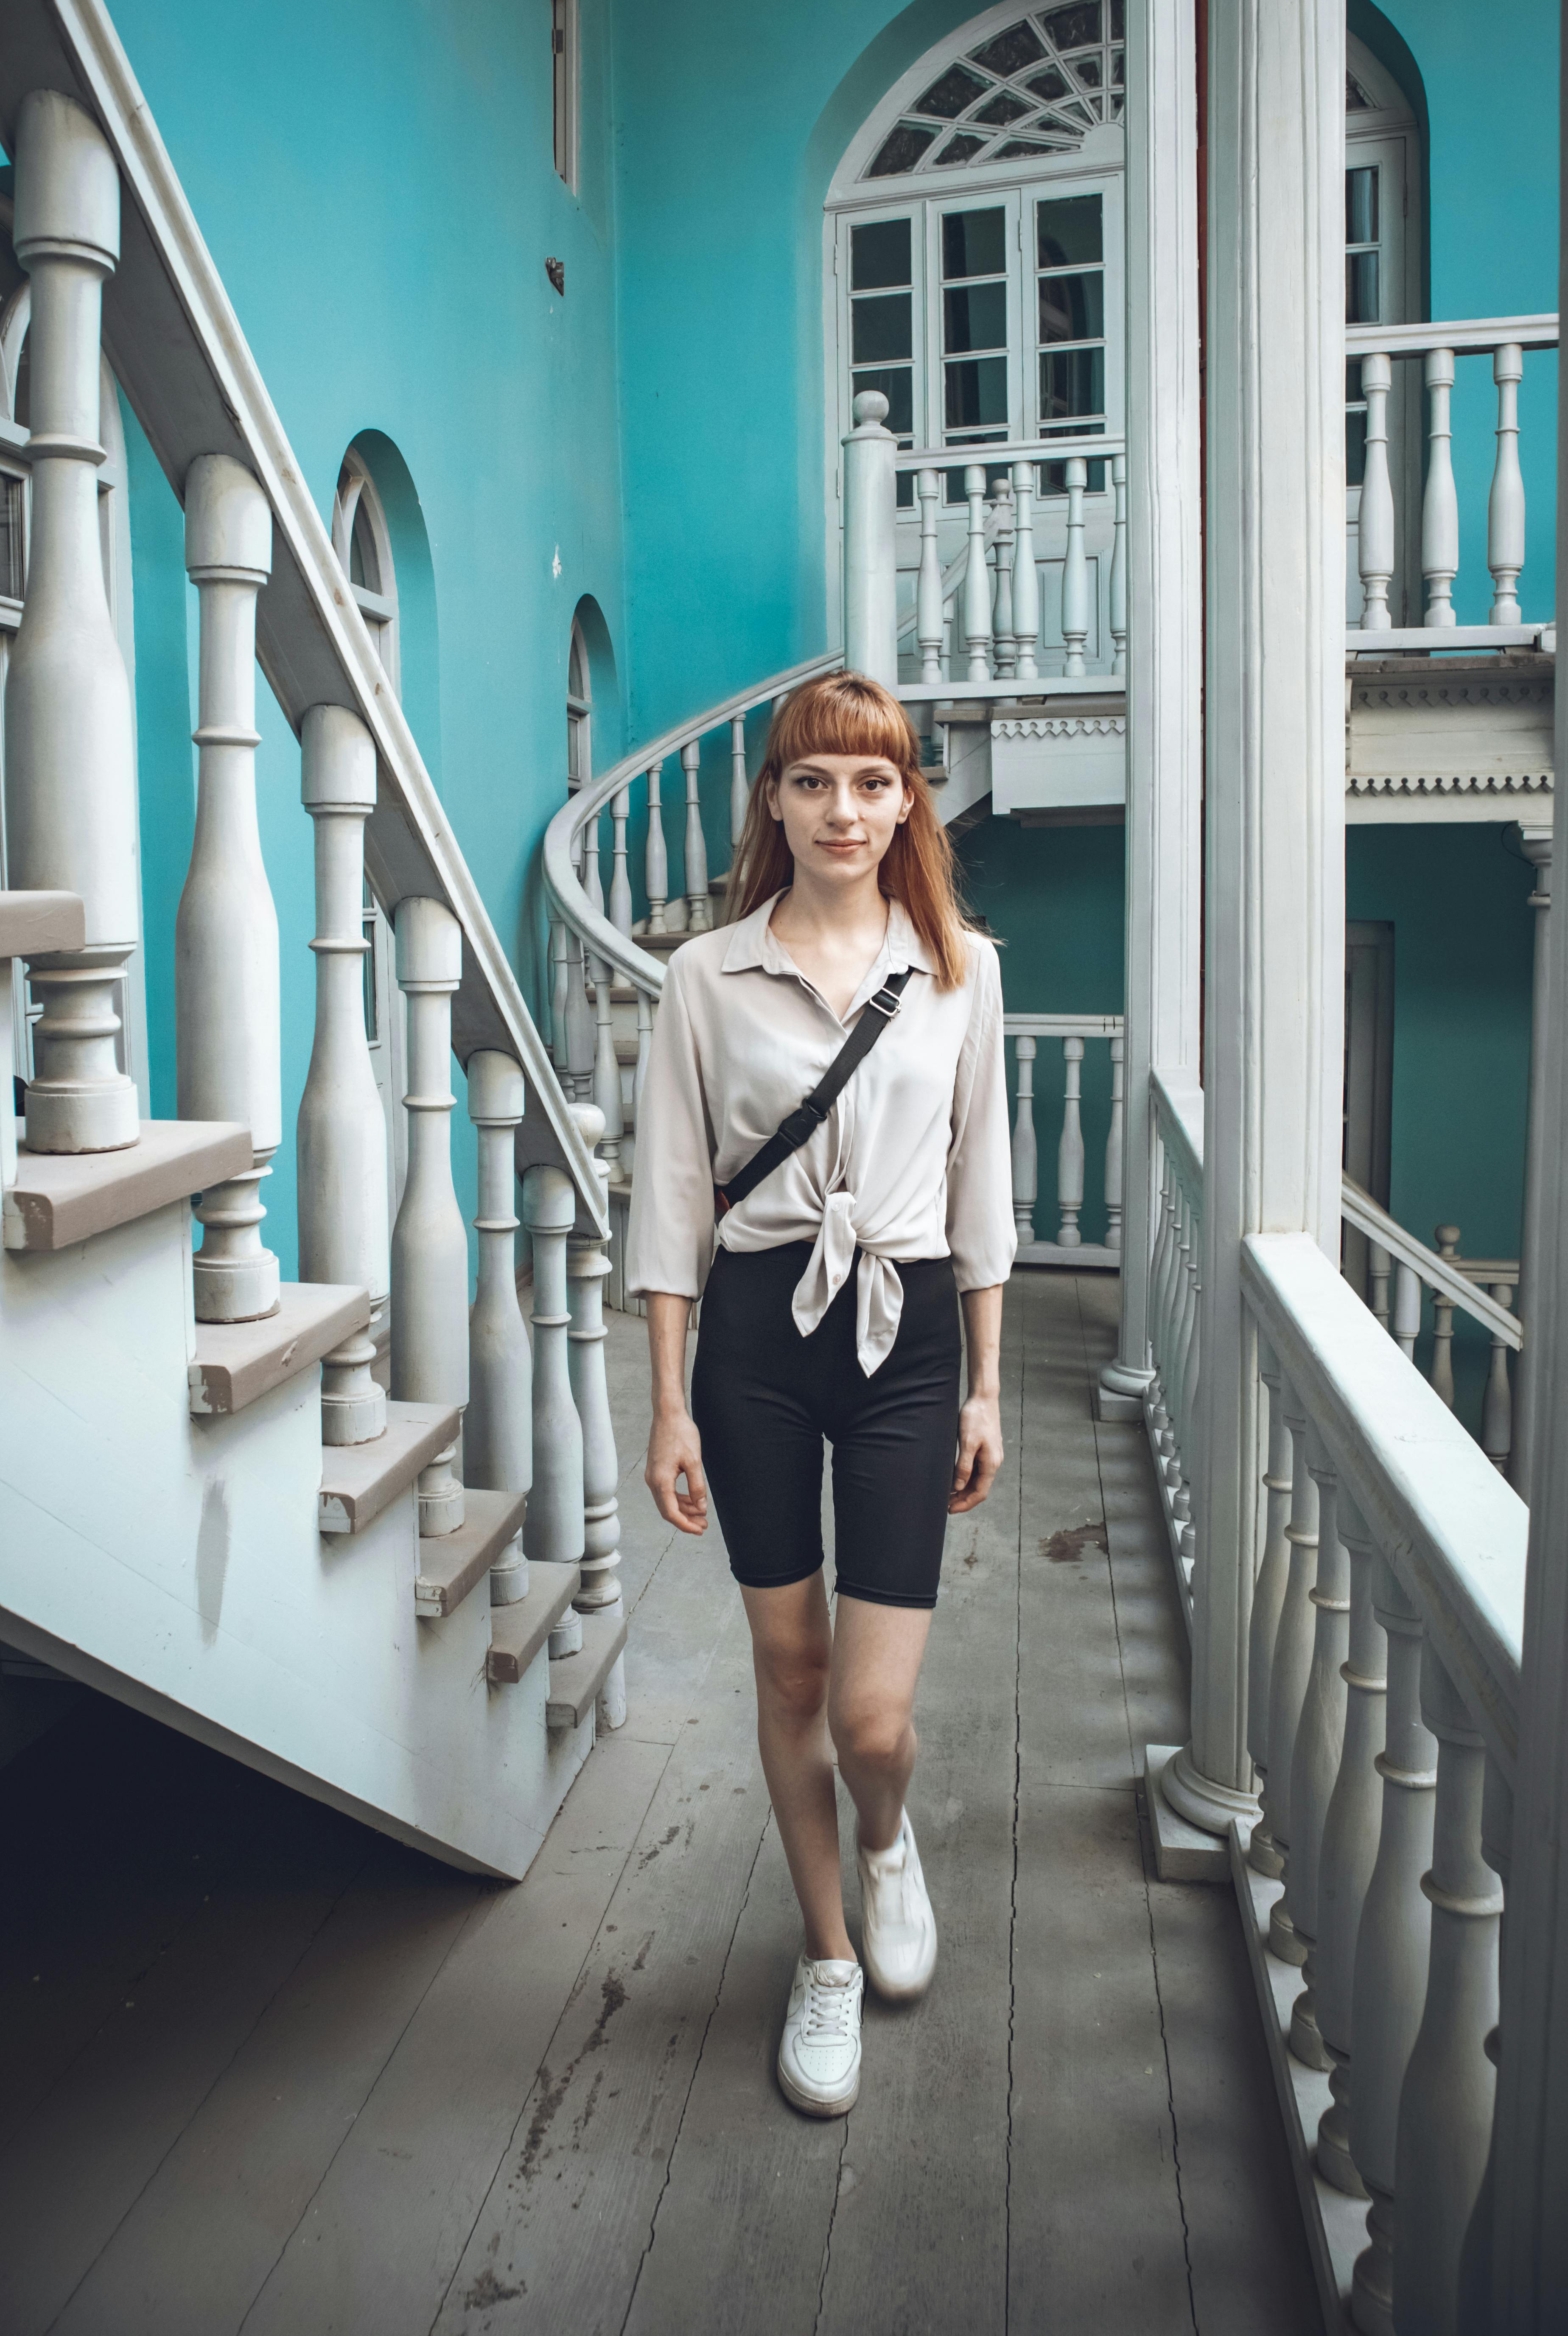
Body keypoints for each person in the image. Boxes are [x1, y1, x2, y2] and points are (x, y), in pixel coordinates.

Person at [625, 668, 1014, 2119]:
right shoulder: (703, 977)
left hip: (907, 1336)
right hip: (753, 1342)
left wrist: (983, 1385)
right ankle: (828, 1951)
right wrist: (668, 1403)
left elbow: (986, 1191)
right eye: (813, 782)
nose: (843, 809)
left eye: (872, 781)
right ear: (775, 803)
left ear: (907, 798)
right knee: (786, 1673)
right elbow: (670, 1196)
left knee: (868, 1718)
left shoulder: (961, 967)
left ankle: (890, 1832)